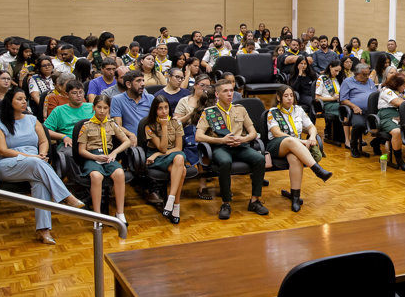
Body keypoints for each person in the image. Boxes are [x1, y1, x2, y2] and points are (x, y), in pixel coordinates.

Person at [0, 87, 84, 244]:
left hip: (36, 163)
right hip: (9, 165)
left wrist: (42, 153)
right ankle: (66, 197)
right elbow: (2, 150)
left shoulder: (32, 120)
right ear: (9, 102)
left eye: (24, 99)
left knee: (40, 183)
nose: (23, 102)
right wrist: (32, 157)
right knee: (35, 163)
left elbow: (43, 141)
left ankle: (43, 231)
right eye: (19, 99)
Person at [196, 79, 267, 219]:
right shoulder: (209, 112)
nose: (230, 94)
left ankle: (255, 200)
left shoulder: (240, 109)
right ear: (217, 94)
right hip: (221, 147)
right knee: (225, 162)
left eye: (231, 90)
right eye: (225, 91)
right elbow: (198, 136)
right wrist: (220, 140)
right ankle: (226, 203)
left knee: (260, 158)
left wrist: (243, 139)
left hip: (240, 145)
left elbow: (253, 132)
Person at [265, 84, 333, 213]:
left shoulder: (298, 110)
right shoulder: (272, 112)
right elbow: (276, 133)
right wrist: (301, 141)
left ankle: (295, 197)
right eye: (286, 96)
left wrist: (312, 137)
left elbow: (312, 127)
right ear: (279, 98)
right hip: (277, 145)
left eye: (291, 95)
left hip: (296, 147)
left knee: (295, 159)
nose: (290, 98)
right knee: (291, 140)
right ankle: (317, 170)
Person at [77, 93, 132, 225]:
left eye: (105, 108)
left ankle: (120, 213)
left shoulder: (111, 124)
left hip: (108, 156)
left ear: (109, 109)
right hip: (92, 157)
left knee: (119, 173)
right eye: (99, 107)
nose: (102, 111)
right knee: (96, 176)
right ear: (93, 108)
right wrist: (95, 156)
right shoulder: (86, 126)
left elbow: (126, 141)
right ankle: (97, 215)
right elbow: (81, 150)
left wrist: (114, 153)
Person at [142, 97, 187, 223]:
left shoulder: (176, 122)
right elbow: (162, 148)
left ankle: (171, 199)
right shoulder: (149, 126)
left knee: (179, 157)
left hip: (172, 154)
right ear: (155, 110)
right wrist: (164, 127)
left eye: (166, 107)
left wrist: (156, 154)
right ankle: (175, 205)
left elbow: (178, 147)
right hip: (160, 158)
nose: (164, 111)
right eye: (160, 108)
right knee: (182, 170)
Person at [375, 70, 405, 171]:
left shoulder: (401, 92)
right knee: (397, 132)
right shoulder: (386, 90)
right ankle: (399, 160)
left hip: (401, 115)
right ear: (397, 84)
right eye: (404, 85)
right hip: (386, 116)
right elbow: (399, 103)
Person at [340, 63, 378, 158]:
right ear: (356, 74)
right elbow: (343, 99)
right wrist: (354, 106)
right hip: (356, 111)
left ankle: (376, 143)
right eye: (364, 74)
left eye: (368, 74)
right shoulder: (348, 82)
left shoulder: (370, 81)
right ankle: (353, 145)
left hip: (372, 111)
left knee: (385, 124)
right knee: (359, 125)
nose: (367, 77)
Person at [44, 79, 94, 149]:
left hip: (92, 142)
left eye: (81, 92)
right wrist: (63, 137)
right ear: (67, 94)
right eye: (74, 93)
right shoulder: (59, 110)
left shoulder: (92, 107)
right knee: (68, 154)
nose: (78, 95)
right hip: (70, 143)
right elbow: (45, 130)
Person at [110, 71, 153, 143]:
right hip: (130, 141)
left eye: (143, 80)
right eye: (138, 81)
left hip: (150, 140)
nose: (143, 84)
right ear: (128, 84)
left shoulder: (150, 98)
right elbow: (117, 126)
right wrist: (130, 135)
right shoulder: (117, 100)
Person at [316, 59, 344, 145]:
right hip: (327, 104)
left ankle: (342, 135)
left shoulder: (337, 79)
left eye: (339, 71)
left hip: (337, 102)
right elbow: (317, 97)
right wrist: (332, 99)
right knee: (343, 109)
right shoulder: (322, 78)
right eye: (335, 70)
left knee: (346, 107)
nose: (337, 73)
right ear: (330, 67)